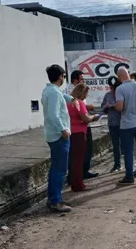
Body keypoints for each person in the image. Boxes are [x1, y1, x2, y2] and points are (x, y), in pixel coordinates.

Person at [41, 64, 73, 213]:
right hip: (58, 135)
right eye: (64, 76)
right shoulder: (53, 93)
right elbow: (54, 115)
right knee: (60, 169)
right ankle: (56, 201)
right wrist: (63, 129)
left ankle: (53, 198)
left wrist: (73, 99)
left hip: (52, 134)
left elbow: (62, 98)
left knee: (56, 168)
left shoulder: (50, 91)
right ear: (60, 76)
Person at [64, 70, 99, 180]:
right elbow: (81, 113)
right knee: (80, 153)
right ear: (75, 80)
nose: (83, 81)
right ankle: (78, 175)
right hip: (78, 127)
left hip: (79, 127)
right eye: (82, 79)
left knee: (81, 152)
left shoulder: (78, 92)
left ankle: (80, 173)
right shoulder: (72, 94)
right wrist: (92, 116)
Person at [67, 84, 101, 191]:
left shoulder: (69, 103)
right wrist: (94, 117)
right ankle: (78, 184)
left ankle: (74, 182)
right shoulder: (79, 103)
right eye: (86, 93)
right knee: (79, 160)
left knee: (73, 160)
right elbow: (85, 118)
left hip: (71, 132)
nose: (86, 96)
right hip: (80, 133)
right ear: (82, 93)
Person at [102, 76, 122, 172]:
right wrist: (105, 107)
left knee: (126, 145)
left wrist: (113, 106)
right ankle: (117, 164)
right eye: (111, 88)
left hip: (123, 122)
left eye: (114, 88)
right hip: (112, 123)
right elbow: (103, 107)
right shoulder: (107, 95)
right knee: (115, 145)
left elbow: (123, 106)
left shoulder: (121, 94)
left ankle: (129, 164)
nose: (112, 90)